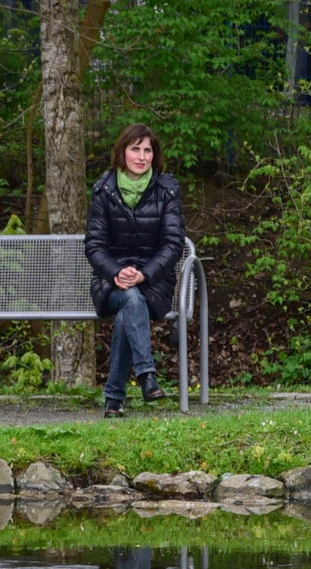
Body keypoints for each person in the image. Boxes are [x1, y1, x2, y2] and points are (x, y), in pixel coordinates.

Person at [85, 123, 186, 418]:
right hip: (111, 283)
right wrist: (116, 272)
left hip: (155, 283)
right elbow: (94, 245)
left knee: (133, 303)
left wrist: (144, 275)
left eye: (147, 150)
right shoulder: (104, 189)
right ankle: (146, 374)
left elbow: (173, 244)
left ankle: (115, 397)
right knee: (129, 299)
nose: (141, 156)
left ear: (154, 155)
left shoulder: (168, 189)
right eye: (135, 149)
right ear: (122, 152)